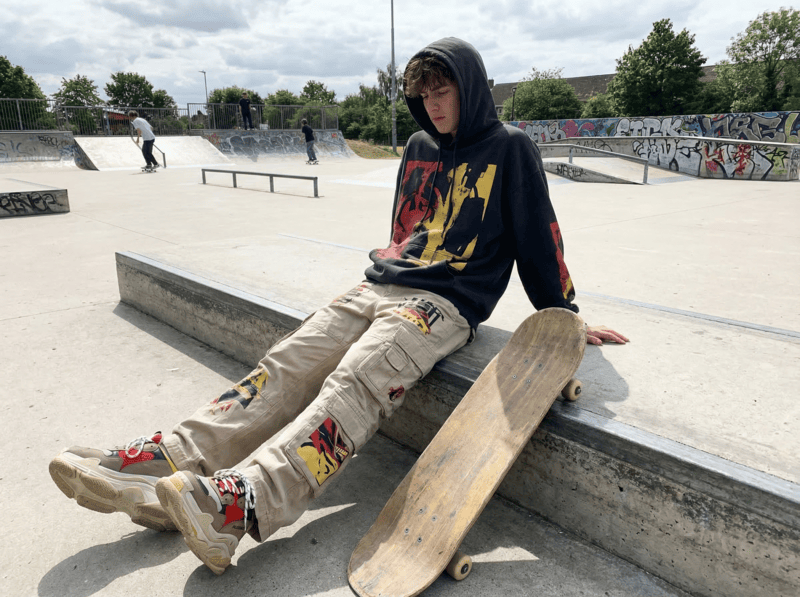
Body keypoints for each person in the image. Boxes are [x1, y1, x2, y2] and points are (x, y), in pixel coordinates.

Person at [50, 38, 628, 576]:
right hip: (381, 285)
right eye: (423, 93)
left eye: (443, 90)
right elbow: (405, 229)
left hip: (444, 304)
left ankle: (243, 504)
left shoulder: (509, 149)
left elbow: (537, 233)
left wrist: (564, 313)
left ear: (470, 88)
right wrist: (386, 275)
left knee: (355, 382)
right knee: (286, 364)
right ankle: (174, 461)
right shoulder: (421, 146)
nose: (433, 103)